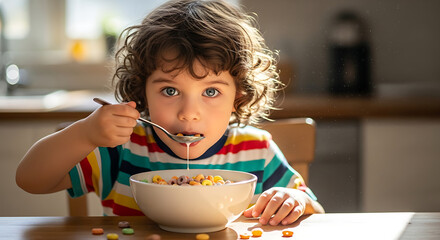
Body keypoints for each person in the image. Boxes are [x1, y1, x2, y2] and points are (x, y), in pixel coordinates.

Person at [16, 0, 324, 225]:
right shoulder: (120, 150)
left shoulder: (255, 150)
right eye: (170, 91)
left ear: (238, 95)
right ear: (141, 91)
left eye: (211, 92)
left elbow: (312, 209)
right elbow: (30, 180)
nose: (189, 113)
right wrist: (84, 133)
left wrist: (295, 200)